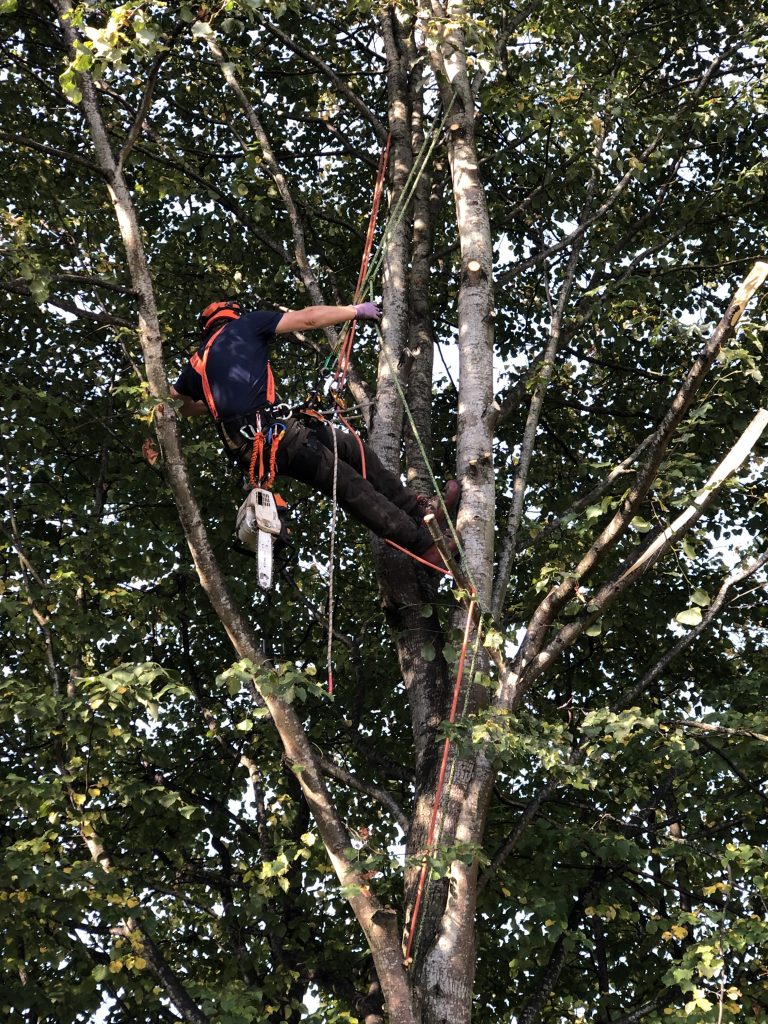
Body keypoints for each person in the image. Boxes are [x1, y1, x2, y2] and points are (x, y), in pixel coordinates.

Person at [171, 300, 459, 568]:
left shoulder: (198, 362)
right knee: (348, 484)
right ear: (233, 315)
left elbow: (176, 403)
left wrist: (217, 401)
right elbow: (307, 319)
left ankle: (419, 509)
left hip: (260, 440)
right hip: (274, 437)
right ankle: (423, 545)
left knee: (348, 447)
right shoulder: (245, 325)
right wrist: (354, 311)